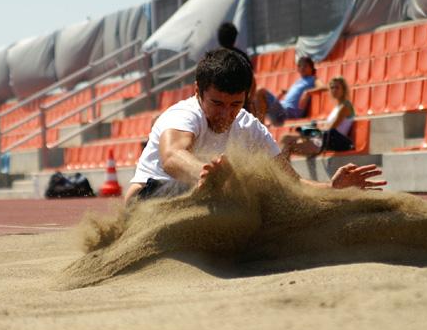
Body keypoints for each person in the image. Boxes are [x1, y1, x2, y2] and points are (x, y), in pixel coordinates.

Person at [123, 49, 386, 203]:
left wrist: (332, 188)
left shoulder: (250, 126)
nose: (226, 113)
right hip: (149, 197)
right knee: (229, 197)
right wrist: (203, 174)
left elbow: (289, 181)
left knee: (268, 197)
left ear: (246, 97)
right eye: (217, 103)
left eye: (235, 104)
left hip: (201, 204)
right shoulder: (182, 114)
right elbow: (172, 155)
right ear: (198, 92)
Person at [281, 76, 355, 158]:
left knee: (287, 144)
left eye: (337, 87)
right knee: (285, 139)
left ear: (343, 89)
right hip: (323, 139)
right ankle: (283, 169)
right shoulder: (338, 106)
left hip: (328, 142)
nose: (334, 90)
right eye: (332, 87)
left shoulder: (345, 106)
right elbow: (327, 128)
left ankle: (283, 170)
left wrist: (311, 132)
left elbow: (331, 128)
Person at [254, 56, 326, 125]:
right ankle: (260, 123)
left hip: (289, 112)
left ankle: (260, 125)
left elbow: (324, 87)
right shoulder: (299, 81)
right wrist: (285, 92)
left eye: (305, 66)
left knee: (260, 91)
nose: (302, 68)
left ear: (311, 68)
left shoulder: (313, 79)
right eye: (300, 66)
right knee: (253, 96)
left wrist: (308, 92)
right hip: (282, 109)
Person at [217, 22, 255, 113]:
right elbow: (253, 82)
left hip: (220, 106)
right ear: (235, 37)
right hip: (240, 105)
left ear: (219, 38)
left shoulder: (215, 58)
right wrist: (248, 100)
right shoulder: (242, 57)